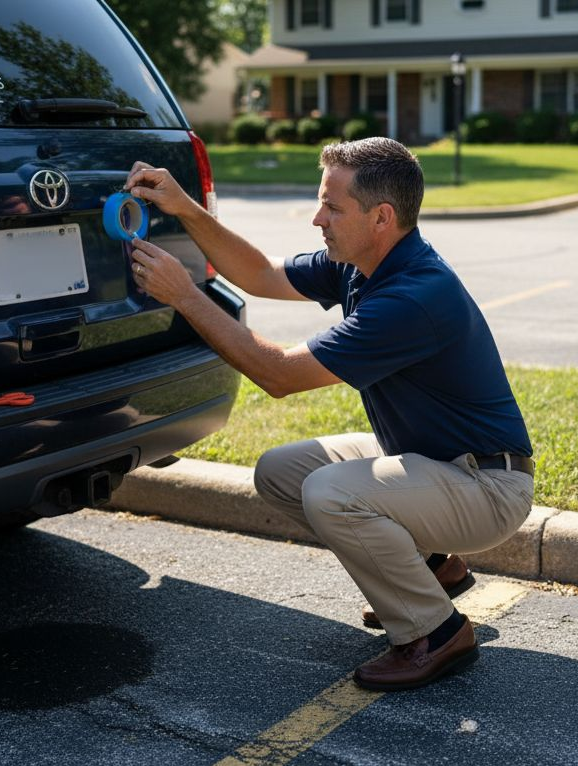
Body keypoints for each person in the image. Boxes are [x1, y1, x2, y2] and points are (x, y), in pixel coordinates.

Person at [123, 137, 534, 691]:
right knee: (280, 471)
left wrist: (187, 296)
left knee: (330, 492)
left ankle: (435, 634)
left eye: (333, 207)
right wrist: (184, 206)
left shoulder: (412, 295)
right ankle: (435, 566)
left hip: (485, 485)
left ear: (381, 217)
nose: (318, 218)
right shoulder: (362, 262)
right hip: (431, 463)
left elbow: (280, 375)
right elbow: (262, 275)